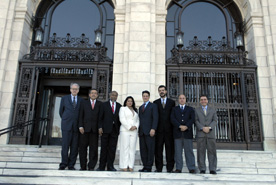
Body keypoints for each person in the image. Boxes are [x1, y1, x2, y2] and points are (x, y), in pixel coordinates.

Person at [59, 83, 83, 170]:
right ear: (70, 89)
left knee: (74, 147)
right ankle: (63, 163)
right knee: (65, 146)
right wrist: (67, 120)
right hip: (66, 126)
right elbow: (61, 111)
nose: (74, 90)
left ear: (78, 90)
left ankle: (71, 165)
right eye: (73, 89)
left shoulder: (81, 100)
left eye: (76, 89)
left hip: (76, 127)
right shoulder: (64, 98)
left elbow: (81, 113)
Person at [170, 94, 196, 173]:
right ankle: (178, 168)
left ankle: (191, 168)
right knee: (178, 152)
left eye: (183, 98)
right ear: (178, 100)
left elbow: (192, 119)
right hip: (177, 133)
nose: (181, 100)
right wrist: (179, 126)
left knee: (189, 151)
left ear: (185, 99)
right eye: (180, 98)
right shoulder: (174, 109)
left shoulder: (190, 109)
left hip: (187, 133)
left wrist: (186, 126)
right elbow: (172, 119)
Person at [97, 91, 122, 171]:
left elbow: (120, 119)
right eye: (112, 95)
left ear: (117, 96)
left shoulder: (119, 106)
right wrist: (100, 127)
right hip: (105, 130)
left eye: (115, 95)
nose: (114, 96)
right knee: (104, 149)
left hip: (114, 131)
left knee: (112, 149)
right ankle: (101, 166)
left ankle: (110, 166)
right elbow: (100, 117)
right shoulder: (103, 105)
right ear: (109, 95)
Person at [78, 89, 102, 171]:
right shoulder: (84, 103)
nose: (93, 94)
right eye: (92, 93)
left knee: (94, 149)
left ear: (97, 95)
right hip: (84, 130)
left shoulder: (100, 104)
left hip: (95, 130)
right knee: (82, 148)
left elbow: (100, 118)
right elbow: (80, 115)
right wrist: (80, 126)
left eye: (95, 93)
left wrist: (100, 127)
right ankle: (83, 166)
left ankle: (91, 166)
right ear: (89, 94)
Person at [153, 85, 175, 173]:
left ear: (166, 91)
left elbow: (173, 116)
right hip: (159, 130)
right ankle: (159, 168)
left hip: (169, 130)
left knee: (170, 149)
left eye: (163, 90)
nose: (161, 92)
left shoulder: (172, 102)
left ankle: (170, 168)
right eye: (160, 90)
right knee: (158, 149)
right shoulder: (155, 102)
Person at [195, 95, 218, 175]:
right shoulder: (196, 110)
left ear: (207, 100)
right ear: (200, 101)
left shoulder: (212, 110)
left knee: (212, 151)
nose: (203, 101)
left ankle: (212, 168)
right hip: (201, 134)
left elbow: (215, 120)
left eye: (205, 99)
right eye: (201, 100)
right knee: (201, 151)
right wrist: (202, 128)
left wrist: (209, 127)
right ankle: (202, 168)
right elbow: (196, 120)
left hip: (210, 134)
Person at [138, 90, 158, 172]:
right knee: (143, 150)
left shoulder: (153, 106)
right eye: (144, 96)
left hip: (150, 131)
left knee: (150, 149)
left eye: (146, 96)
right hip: (142, 132)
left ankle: (149, 167)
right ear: (142, 97)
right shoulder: (140, 107)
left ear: (149, 97)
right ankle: (144, 166)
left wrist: (153, 128)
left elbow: (155, 118)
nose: (145, 97)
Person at [119, 96, 139, 172]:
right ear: (126, 102)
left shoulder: (135, 110)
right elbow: (122, 119)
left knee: (132, 148)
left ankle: (131, 165)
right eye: (128, 101)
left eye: (131, 101)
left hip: (134, 131)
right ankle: (124, 165)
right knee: (125, 148)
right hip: (125, 130)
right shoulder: (122, 109)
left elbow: (137, 120)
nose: (130, 102)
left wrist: (135, 126)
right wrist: (129, 127)